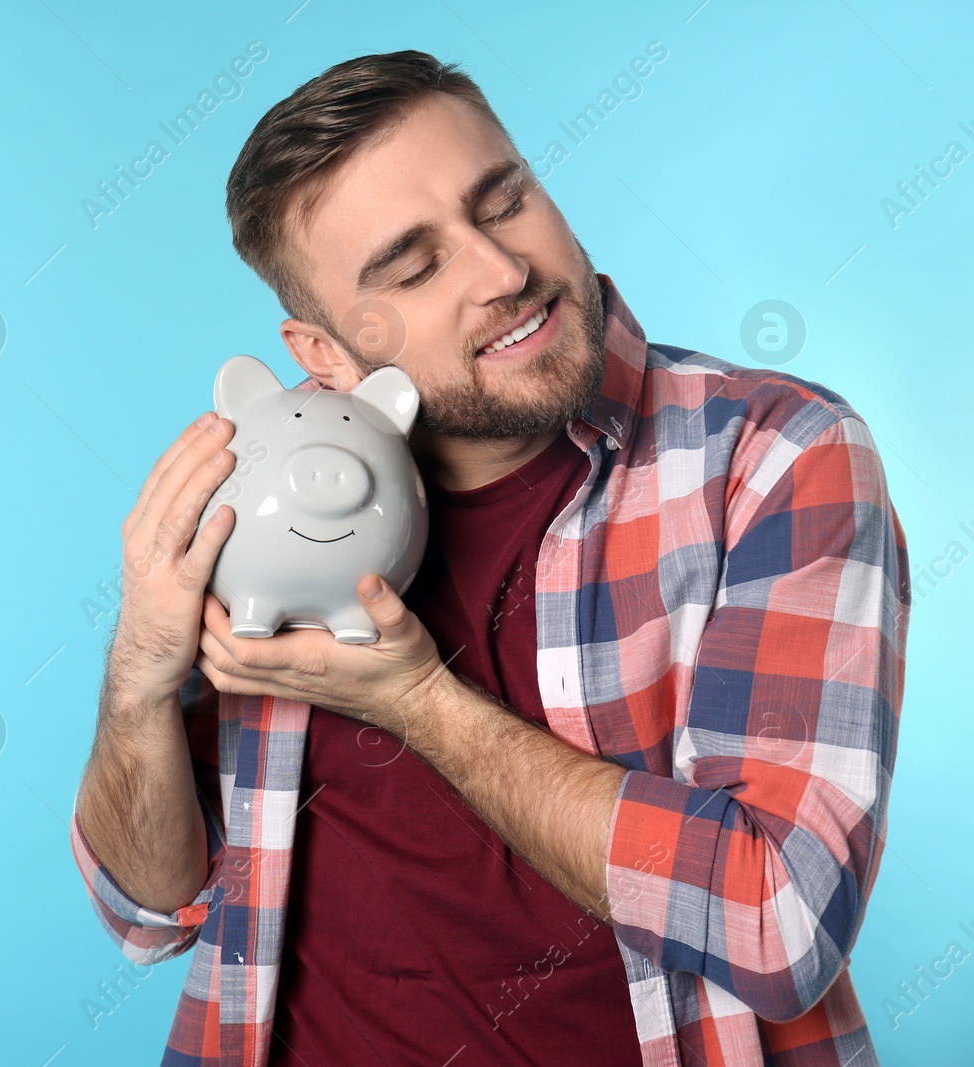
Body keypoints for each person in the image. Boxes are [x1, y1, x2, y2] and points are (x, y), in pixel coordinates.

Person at [70, 49, 909, 1067]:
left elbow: (781, 926)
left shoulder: (768, 457)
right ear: (323, 355)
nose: (503, 273)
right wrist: (136, 681)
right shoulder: (265, 508)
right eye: (415, 266)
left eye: (503, 201)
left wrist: (417, 698)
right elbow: (150, 907)